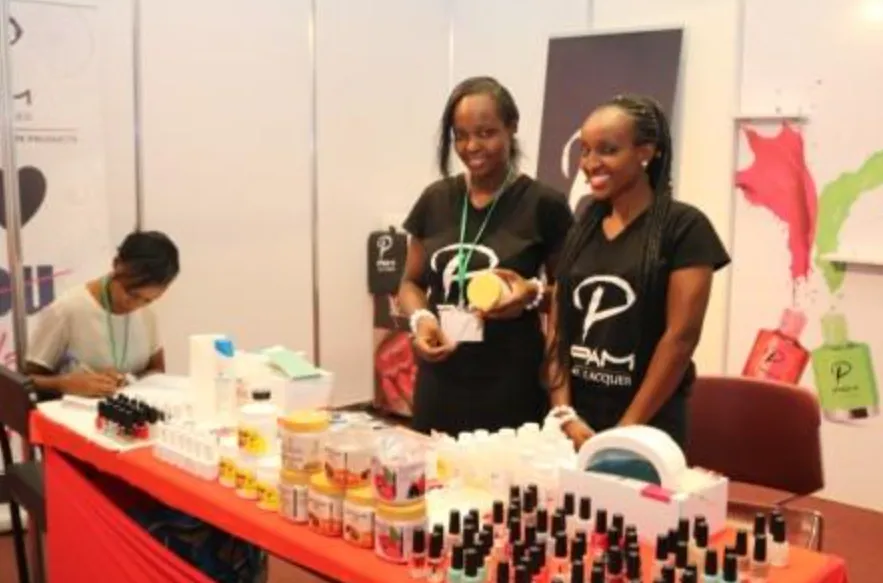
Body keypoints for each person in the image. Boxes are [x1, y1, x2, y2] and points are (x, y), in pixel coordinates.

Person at [25, 231, 266, 583]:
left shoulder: (146, 314)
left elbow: (156, 371)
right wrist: (66, 383)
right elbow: (26, 381)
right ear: (116, 266)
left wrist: (134, 381)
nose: (135, 305)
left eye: (148, 299)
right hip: (82, 445)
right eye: (131, 293)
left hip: (135, 436)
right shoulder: (68, 311)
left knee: (201, 492)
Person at [546, 94, 730, 451]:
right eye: (585, 150)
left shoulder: (684, 227)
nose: (590, 163)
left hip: (648, 426)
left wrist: (625, 430)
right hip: (574, 423)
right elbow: (558, 327)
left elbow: (681, 338)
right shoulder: (584, 226)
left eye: (608, 150)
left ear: (646, 152)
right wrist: (564, 413)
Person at [399, 76, 574, 435]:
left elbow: (569, 297)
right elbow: (410, 283)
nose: (471, 146)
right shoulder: (435, 199)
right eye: (460, 135)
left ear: (512, 127)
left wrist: (529, 295)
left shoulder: (544, 204)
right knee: (433, 469)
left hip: (511, 383)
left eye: (485, 133)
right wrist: (421, 319)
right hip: (440, 379)